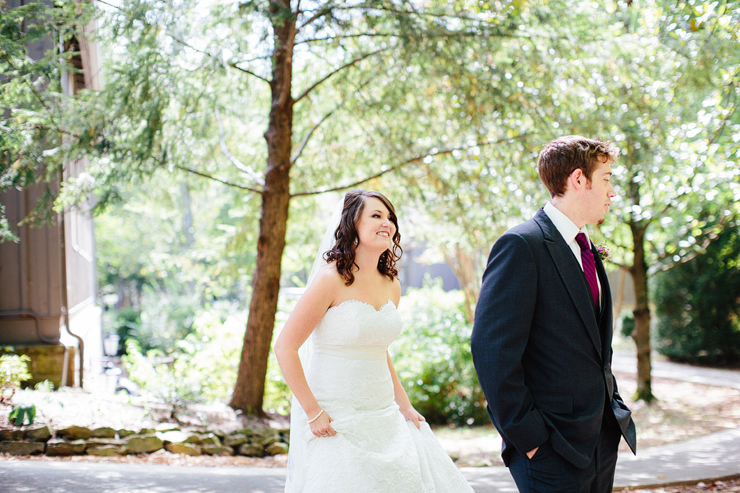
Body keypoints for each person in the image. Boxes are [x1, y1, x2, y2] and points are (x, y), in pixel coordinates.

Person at [274, 190, 474, 493]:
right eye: (376, 215)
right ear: (353, 223)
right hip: (335, 416)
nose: (388, 223)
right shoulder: (330, 279)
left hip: (383, 413)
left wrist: (404, 405)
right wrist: (313, 412)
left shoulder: (391, 284)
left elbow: (379, 350)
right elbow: (285, 347)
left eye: (390, 217)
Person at [471, 136, 637, 493]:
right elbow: (492, 352)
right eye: (606, 178)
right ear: (579, 180)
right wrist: (531, 440)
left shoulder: (587, 249)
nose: (612, 191)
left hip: (601, 442)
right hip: (551, 449)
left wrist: (613, 408)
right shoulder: (521, 246)